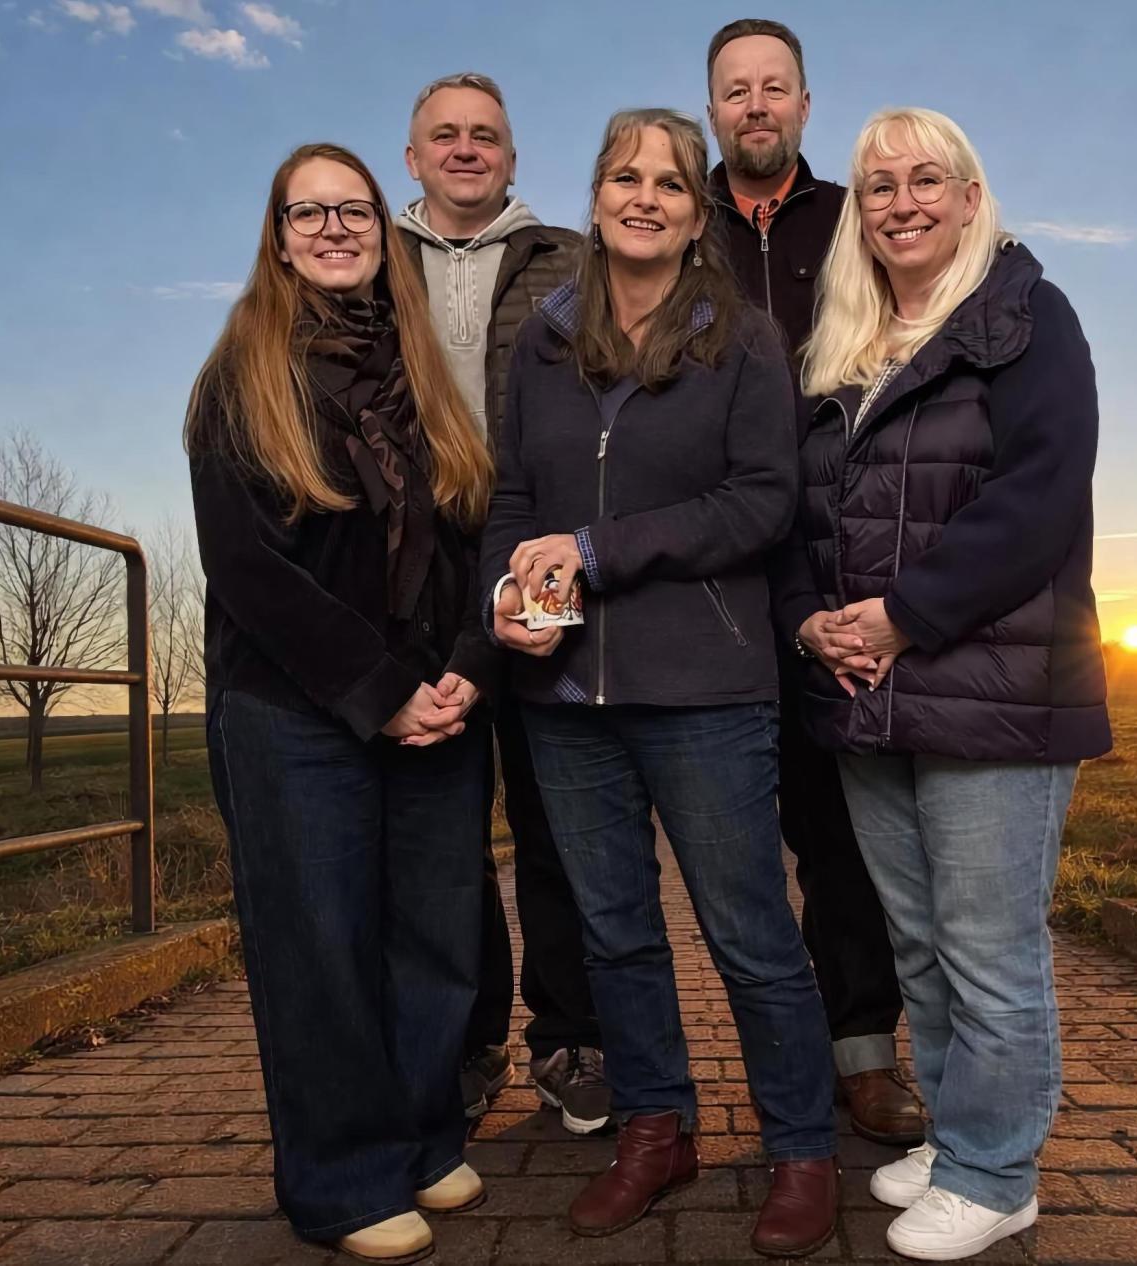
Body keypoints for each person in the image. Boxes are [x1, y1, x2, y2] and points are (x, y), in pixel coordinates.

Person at [484, 108, 839, 1258]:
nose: (646, 197)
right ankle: (656, 1130)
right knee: (614, 932)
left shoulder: (740, 341)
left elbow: (758, 504)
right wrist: (521, 607)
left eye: (672, 184)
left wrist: (595, 558)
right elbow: (516, 506)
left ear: (698, 217)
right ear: (593, 197)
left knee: (748, 932)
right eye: (625, 177)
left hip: (705, 685)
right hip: (567, 700)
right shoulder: (541, 341)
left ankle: (800, 1149)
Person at [778, 108, 1112, 1260]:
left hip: (994, 690)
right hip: (872, 692)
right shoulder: (848, 347)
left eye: (928, 180)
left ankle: (996, 1170)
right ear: (857, 216)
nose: (903, 202)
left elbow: (1039, 497)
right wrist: (816, 623)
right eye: (879, 188)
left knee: (989, 947)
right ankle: (962, 1132)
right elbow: (808, 520)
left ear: (971, 197)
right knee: (916, 941)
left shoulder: (1026, 319)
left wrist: (906, 617)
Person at [187, 142, 497, 1263]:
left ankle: (421, 1137)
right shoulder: (241, 378)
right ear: (277, 237)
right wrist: (381, 691)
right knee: (319, 943)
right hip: (294, 709)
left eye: (353, 211)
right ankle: (342, 1178)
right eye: (307, 213)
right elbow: (251, 573)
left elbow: (467, 538)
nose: (333, 228)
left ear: (383, 225)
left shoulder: (419, 378)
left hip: (436, 699)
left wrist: (468, 661)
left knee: (434, 935)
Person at [703, 18, 923, 1145]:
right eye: (734, 89)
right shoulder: (670, 221)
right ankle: (775, 1064)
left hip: (837, 560)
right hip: (710, 577)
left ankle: (864, 1057)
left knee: (842, 834)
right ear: (712, 107)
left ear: (802, 102)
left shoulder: (854, 220)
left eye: (773, 87)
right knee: (733, 845)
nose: (754, 105)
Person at [395, 70, 609, 1134]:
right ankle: (465, 1044)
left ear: (514, 157)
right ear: (414, 156)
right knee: (441, 824)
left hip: (539, 561)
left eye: (487, 136)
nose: (467, 150)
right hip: (414, 572)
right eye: (447, 135)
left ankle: (572, 1040)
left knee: (555, 813)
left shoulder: (574, 260)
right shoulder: (366, 262)